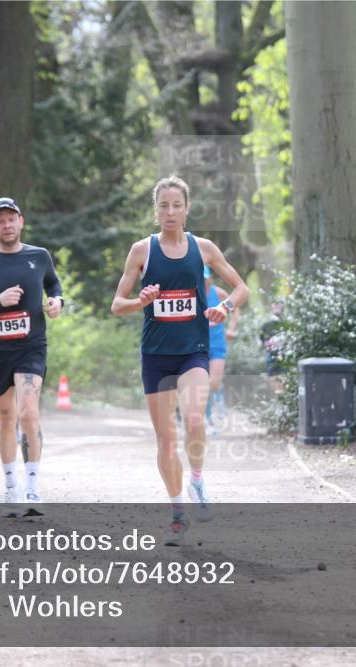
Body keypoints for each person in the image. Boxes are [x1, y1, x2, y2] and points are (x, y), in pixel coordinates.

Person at [111, 175, 249, 546]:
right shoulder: (142, 251)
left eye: (176, 205)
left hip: (193, 351)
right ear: (155, 212)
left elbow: (241, 287)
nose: (170, 212)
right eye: (163, 206)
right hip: (155, 356)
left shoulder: (203, 248)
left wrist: (224, 306)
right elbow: (117, 304)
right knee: (166, 440)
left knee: (192, 417)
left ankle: (198, 479)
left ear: (187, 209)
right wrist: (141, 301)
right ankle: (176, 514)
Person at [0, 197, 63, 517]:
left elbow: (53, 284)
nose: (7, 225)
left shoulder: (39, 256)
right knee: (6, 419)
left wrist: (57, 301)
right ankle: (11, 487)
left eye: (11, 219)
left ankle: (33, 485)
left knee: (29, 413)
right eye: (0, 221)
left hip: (31, 347)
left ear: (21, 221)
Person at [204, 265, 239, 432]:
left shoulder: (219, 293)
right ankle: (208, 422)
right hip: (198, 345)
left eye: (205, 278)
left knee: (213, 382)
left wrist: (231, 328)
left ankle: (219, 395)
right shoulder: (192, 295)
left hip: (217, 342)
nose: (203, 282)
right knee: (203, 385)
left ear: (210, 278)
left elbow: (235, 308)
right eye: (200, 279)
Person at [260, 301, 284, 393]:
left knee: (283, 374)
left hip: (283, 352)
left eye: (279, 307)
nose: (277, 309)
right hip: (270, 352)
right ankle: (276, 394)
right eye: (275, 307)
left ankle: (282, 394)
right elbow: (262, 338)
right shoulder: (267, 324)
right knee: (271, 374)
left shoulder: (285, 322)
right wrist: (266, 343)